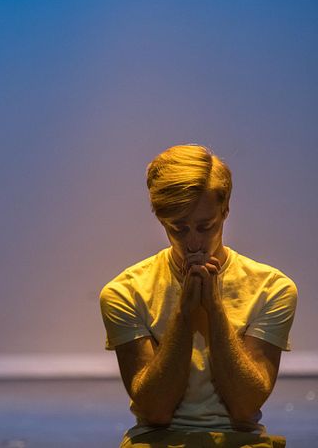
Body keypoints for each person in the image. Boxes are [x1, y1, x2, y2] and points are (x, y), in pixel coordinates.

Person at [99, 144, 297, 448]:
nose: (193, 243)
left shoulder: (272, 288)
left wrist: (214, 309)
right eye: (178, 229)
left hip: (240, 440)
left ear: (225, 209)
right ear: (161, 220)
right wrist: (184, 314)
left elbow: (245, 407)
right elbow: (155, 411)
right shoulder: (124, 292)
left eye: (206, 227)